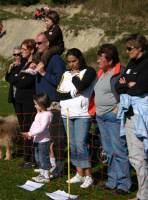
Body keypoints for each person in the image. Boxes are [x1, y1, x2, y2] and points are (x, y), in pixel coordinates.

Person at [114, 34, 148, 200]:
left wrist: (127, 84)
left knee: (138, 154)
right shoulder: (132, 63)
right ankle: (143, 192)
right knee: (134, 155)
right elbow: (118, 85)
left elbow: (140, 88)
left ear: (141, 48)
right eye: (126, 48)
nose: (127, 51)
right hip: (129, 113)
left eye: (130, 48)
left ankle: (144, 194)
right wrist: (128, 84)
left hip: (140, 114)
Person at [88, 44, 131, 195]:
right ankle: (112, 181)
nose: (98, 61)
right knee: (109, 150)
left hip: (113, 117)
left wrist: (117, 107)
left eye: (101, 58)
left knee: (119, 150)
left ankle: (124, 184)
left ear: (111, 60)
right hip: (101, 116)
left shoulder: (121, 72)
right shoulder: (102, 72)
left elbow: (128, 91)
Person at [56, 48, 97, 188]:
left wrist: (74, 76)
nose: (71, 64)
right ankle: (79, 174)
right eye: (69, 62)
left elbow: (81, 85)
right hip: (66, 113)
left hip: (82, 114)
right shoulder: (65, 73)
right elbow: (58, 93)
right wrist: (74, 94)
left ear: (80, 58)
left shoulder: (89, 72)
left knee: (81, 144)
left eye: (74, 61)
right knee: (72, 145)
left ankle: (89, 176)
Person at [34, 32, 66, 178]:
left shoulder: (56, 59)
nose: (36, 46)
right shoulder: (41, 58)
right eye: (36, 43)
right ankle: (49, 166)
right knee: (45, 138)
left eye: (39, 43)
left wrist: (43, 72)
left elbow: (60, 81)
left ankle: (60, 167)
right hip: (42, 106)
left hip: (54, 105)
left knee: (57, 138)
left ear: (48, 43)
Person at [8, 39, 37, 169]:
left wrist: (18, 79)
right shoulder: (24, 65)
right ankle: (26, 159)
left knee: (30, 130)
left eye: (24, 49)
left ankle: (32, 159)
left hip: (29, 101)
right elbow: (11, 79)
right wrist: (19, 77)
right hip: (18, 100)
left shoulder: (34, 65)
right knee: (24, 130)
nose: (21, 51)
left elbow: (27, 82)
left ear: (31, 50)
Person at [22, 93, 53, 183]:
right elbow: (34, 125)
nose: (34, 106)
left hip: (44, 141)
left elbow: (42, 128)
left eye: (36, 104)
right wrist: (30, 134)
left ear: (42, 105)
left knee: (44, 158)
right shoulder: (39, 113)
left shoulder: (47, 115)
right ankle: (42, 174)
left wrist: (30, 133)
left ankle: (46, 176)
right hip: (37, 140)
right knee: (38, 158)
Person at [22, 11, 64, 75]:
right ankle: (34, 64)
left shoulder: (57, 29)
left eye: (47, 21)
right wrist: (42, 33)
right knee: (38, 52)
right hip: (51, 46)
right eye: (45, 21)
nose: (46, 23)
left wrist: (45, 32)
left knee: (47, 52)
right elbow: (46, 37)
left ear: (54, 20)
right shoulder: (50, 29)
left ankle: (41, 65)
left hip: (58, 47)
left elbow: (51, 38)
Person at [5, 46, 26, 110]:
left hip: (23, 94)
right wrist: (10, 69)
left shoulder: (25, 64)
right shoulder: (13, 65)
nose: (16, 56)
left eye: (18, 54)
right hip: (14, 94)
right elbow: (7, 79)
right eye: (14, 55)